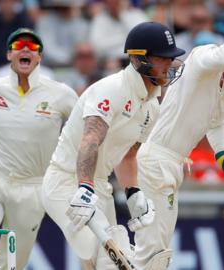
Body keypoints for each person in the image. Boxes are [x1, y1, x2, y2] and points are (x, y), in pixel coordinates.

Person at [133, 2, 224, 268]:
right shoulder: (206, 56)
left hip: (169, 162)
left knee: (157, 246)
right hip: (157, 160)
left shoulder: (222, 79)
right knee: (154, 250)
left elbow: (216, 122)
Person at [40, 21, 185, 269]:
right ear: (140, 59)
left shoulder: (152, 106)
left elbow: (128, 156)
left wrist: (132, 192)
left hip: (100, 187)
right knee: (100, 252)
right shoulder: (111, 90)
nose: (171, 65)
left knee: (100, 263)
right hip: (66, 182)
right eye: (164, 58)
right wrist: (84, 187)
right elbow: (90, 140)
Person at [0, 28, 78, 269]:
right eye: (19, 45)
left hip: (33, 188)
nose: (25, 49)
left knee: (12, 264)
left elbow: (88, 126)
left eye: (32, 47)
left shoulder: (60, 94)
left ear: (39, 57)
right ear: (9, 54)